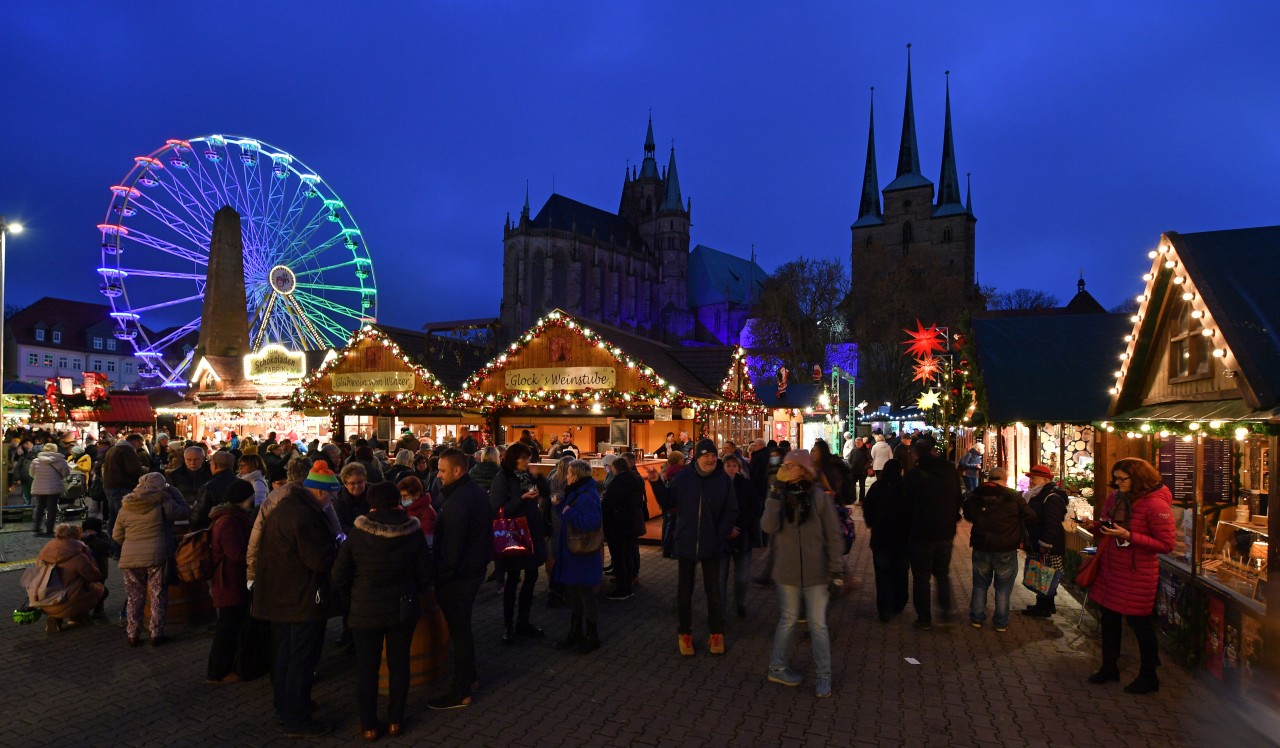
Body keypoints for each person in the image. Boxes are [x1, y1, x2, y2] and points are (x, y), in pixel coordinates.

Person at [333, 481, 432, 741]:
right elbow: (425, 573)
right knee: (400, 665)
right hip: (402, 607)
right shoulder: (413, 531)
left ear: (372, 503)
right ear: (397, 501)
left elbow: (339, 574)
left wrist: (352, 597)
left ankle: (368, 725)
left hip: (365, 608)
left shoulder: (358, 532)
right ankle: (395, 721)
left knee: (367, 668)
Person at [252, 460, 340, 738]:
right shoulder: (305, 515)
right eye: (332, 494)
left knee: (285, 655)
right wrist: (337, 546)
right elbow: (319, 559)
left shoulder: (289, 507)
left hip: (281, 595)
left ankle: (289, 705)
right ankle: (296, 718)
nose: (333, 500)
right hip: (299, 598)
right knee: (300, 657)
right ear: (319, 492)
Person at [1087, 458, 1175, 694]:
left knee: (1140, 623)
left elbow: (1166, 544)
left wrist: (1129, 535)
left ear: (1137, 478)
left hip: (1138, 573)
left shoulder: (1155, 505)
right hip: (1111, 568)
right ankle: (1108, 666)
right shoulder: (1115, 498)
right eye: (1114, 478)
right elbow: (1108, 524)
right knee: (1109, 618)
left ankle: (1149, 676)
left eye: (1121, 479)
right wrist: (1093, 525)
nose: (1116, 483)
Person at [761, 449, 844, 698]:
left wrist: (836, 568)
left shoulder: (819, 498)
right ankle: (777, 667)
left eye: (792, 465)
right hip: (786, 572)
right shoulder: (779, 494)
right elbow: (768, 526)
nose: (786, 469)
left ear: (805, 470)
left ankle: (824, 676)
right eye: (784, 465)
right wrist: (774, 494)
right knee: (787, 620)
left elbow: (832, 535)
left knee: (818, 624)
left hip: (816, 572)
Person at [646, 438, 737, 656]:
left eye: (714, 455)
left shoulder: (722, 480)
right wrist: (656, 482)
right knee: (684, 592)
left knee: (713, 592)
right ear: (697, 456)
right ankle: (684, 633)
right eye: (706, 455)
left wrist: (720, 533)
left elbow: (731, 509)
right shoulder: (684, 478)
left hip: (712, 543)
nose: (711, 459)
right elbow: (668, 502)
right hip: (687, 541)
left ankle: (716, 633)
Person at [430, 448, 494, 710]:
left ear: (458, 471)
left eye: (443, 471)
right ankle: (471, 677)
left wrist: (441, 576)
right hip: (473, 569)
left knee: (460, 632)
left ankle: (461, 689)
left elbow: (451, 549)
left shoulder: (457, 502)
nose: (439, 475)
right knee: (462, 629)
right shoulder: (474, 493)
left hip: (460, 575)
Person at [112, 472, 189, 647]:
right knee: (157, 595)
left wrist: (131, 545)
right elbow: (184, 512)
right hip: (157, 557)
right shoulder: (163, 502)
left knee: (134, 597)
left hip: (130, 559)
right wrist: (175, 494)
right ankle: (156, 633)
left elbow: (116, 535)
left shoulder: (126, 506)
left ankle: (133, 634)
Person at [489, 443, 548, 644]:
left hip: (532, 531)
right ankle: (508, 625)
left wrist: (539, 478)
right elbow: (498, 510)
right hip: (513, 535)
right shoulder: (502, 479)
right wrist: (521, 498)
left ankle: (524, 621)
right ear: (514, 459)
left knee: (531, 576)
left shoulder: (528, 475)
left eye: (528, 458)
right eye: (523, 458)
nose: (526, 461)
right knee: (512, 580)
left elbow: (545, 493)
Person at [902, 438, 963, 630]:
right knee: (942, 573)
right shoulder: (949, 471)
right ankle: (946, 612)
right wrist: (953, 518)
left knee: (921, 577)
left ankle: (924, 618)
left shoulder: (914, 475)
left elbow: (906, 503)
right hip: (945, 531)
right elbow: (958, 498)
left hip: (921, 532)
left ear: (916, 454)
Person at [963, 467, 1034, 632]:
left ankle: (977, 618)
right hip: (1006, 547)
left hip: (981, 545)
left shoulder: (976, 494)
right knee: (1003, 587)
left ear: (989, 479)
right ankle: (1000, 622)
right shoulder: (1014, 497)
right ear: (1005, 479)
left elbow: (969, 514)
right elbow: (1030, 515)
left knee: (980, 584)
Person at [551, 459, 604, 654]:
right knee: (575, 594)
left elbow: (591, 522)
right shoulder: (577, 492)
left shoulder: (586, 496)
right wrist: (559, 506)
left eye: (569, 473)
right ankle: (576, 631)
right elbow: (566, 514)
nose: (566, 476)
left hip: (582, 553)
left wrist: (568, 511)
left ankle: (592, 635)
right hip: (573, 552)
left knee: (585, 595)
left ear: (576, 476)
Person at [207, 479, 256, 684]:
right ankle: (217, 671)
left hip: (231, 581)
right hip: (229, 582)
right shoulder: (229, 521)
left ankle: (225, 667)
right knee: (227, 628)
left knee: (231, 626)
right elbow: (236, 553)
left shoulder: (232, 517)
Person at [861, 459, 910, 622]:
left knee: (883, 575)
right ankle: (898, 603)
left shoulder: (877, 487)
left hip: (881, 537)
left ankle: (884, 609)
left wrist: (872, 522)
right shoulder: (905, 488)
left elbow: (868, 508)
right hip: (902, 539)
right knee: (900, 572)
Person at [35, 523, 106, 634]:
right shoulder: (79, 556)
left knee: (70, 586)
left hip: (44, 599)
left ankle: (54, 618)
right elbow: (94, 575)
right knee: (99, 589)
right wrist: (89, 556)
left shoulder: (45, 551)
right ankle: (77, 617)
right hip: (67, 600)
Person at [1019, 464, 1070, 618]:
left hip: (1047, 545)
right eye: (1030, 478)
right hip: (1039, 542)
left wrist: (1045, 542)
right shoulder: (1039, 494)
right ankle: (1046, 605)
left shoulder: (1051, 497)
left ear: (1045, 479)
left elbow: (1052, 523)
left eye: (1033, 478)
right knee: (1042, 574)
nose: (1031, 481)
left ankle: (1043, 607)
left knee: (1045, 575)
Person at [719, 453, 762, 619]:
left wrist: (739, 527)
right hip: (723, 537)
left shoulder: (746, 484)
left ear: (739, 467)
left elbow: (754, 507)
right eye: (728, 465)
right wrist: (726, 528)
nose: (731, 469)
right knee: (720, 577)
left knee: (742, 577)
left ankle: (740, 603)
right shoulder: (717, 485)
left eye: (734, 466)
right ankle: (720, 610)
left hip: (742, 535)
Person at [601, 453, 646, 601]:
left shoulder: (619, 481)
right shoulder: (635, 479)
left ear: (615, 468)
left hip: (618, 524)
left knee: (619, 557)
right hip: (630, 521)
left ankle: (623, 589)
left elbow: (609, 503)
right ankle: (628, 585)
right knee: (627, 555)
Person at [102, 433, 147, 536]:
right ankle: (119, 545)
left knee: (113, 516)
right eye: (140, 443)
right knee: (122, 517)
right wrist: (143, 469)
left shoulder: (113, 449)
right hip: (122, 486)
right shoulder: (127, 451)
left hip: (110, 486)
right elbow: (133, 470)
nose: (141, 446)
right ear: (134, 442)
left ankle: (112, 542)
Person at [30, 443, 70, 537]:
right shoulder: (61, 461)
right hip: (54, 487)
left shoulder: (36, 461)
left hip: (39, 487)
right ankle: (49, 529)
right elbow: (66, 473)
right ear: (55, 450)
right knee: (52, 508)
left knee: (40, 507)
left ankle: (36, 526)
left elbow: (32, 474)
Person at [191, 451, 237, 531]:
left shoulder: (208, 487)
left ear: (214, 465)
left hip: (213, 530)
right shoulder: (241, 483)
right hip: (237, 529)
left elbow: (199, 515)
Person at [334, 462, 372, 535]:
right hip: (350, 536)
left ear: (365, 481)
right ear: (345, 484)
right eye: (352, 483)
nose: (357, 486)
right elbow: (339, 525)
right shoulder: (338, 498)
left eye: (360, 482)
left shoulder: (374, 492)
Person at [849, 438, 872, 504]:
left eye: (858, 442)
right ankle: (853, 498)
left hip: (862, 471)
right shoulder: (853, 450)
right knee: (852, 485)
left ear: (862, 442)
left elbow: (870, 460)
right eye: (856, 442)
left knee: (862, 486)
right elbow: (849, 459)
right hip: (853, 471)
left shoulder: (866, 450)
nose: (857, 444)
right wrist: (850, 466)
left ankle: (861, 500)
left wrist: (865, 467)